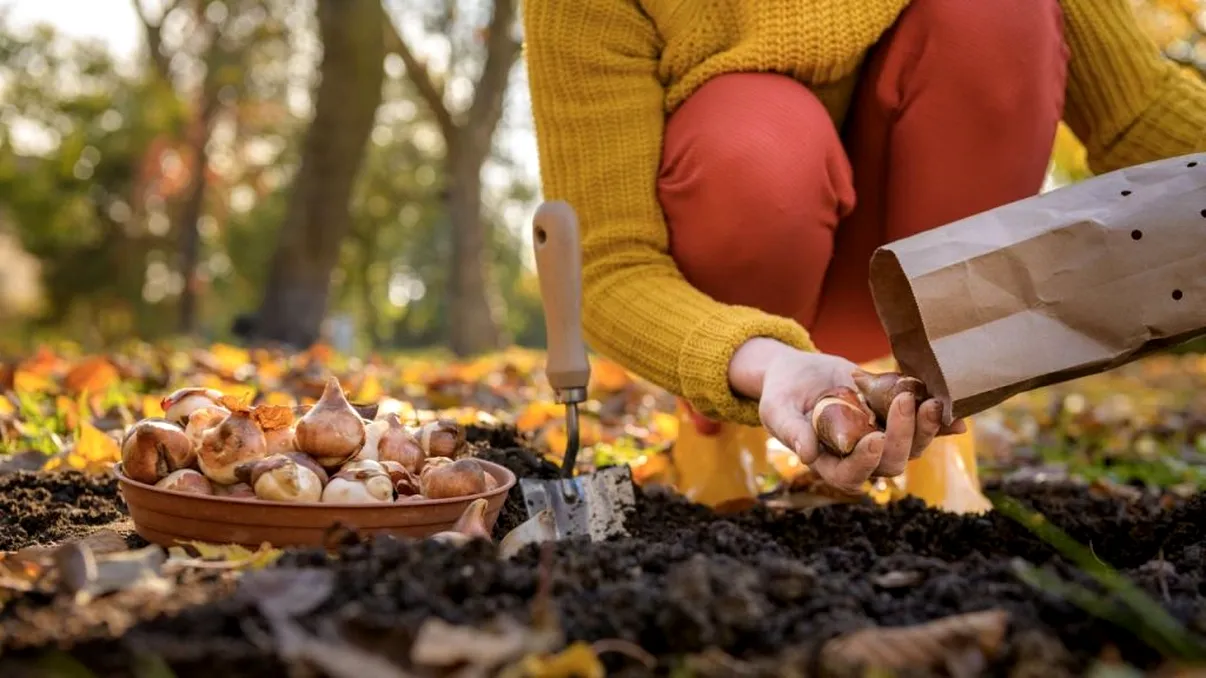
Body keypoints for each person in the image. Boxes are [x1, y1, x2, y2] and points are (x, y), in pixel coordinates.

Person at [522, 0, 1206, 506]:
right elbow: (612, 266)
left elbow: (1137, 114)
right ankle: (719, 440)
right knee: (757, 135)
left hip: (911, 280)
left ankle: (941, 417)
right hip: (737, 299)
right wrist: (760, 363)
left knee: (998, 15)